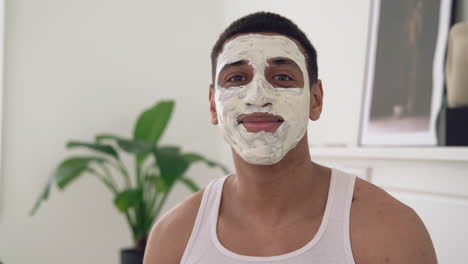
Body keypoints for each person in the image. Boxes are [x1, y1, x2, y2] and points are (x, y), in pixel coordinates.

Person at [143, 12, 437, 264]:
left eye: (281, 77)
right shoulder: (174, 237)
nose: (257, 97)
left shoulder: (389, 230)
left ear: (316, 100)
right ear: (212, 104)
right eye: (236, 78)